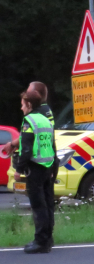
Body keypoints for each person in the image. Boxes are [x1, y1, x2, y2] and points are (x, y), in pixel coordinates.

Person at [15, 90, 57, 253]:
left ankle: (40, 242)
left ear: (29, 105)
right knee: (47, 204)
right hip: (47, 166)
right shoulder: (46, 121)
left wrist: (19, 169)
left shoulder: (29, 121)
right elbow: (52, 145)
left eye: (22, 105)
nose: (21, 108)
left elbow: (25, 149)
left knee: (38, 206)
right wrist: (53, 168)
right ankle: (47, 240)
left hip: (35, 168)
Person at [1, 82, 54, 158]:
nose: (26, 94)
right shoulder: (45, 109)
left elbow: (28, 137)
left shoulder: (36, 114)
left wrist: (12, 144)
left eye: (28, 92)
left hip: (38, 160)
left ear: (35, 94)